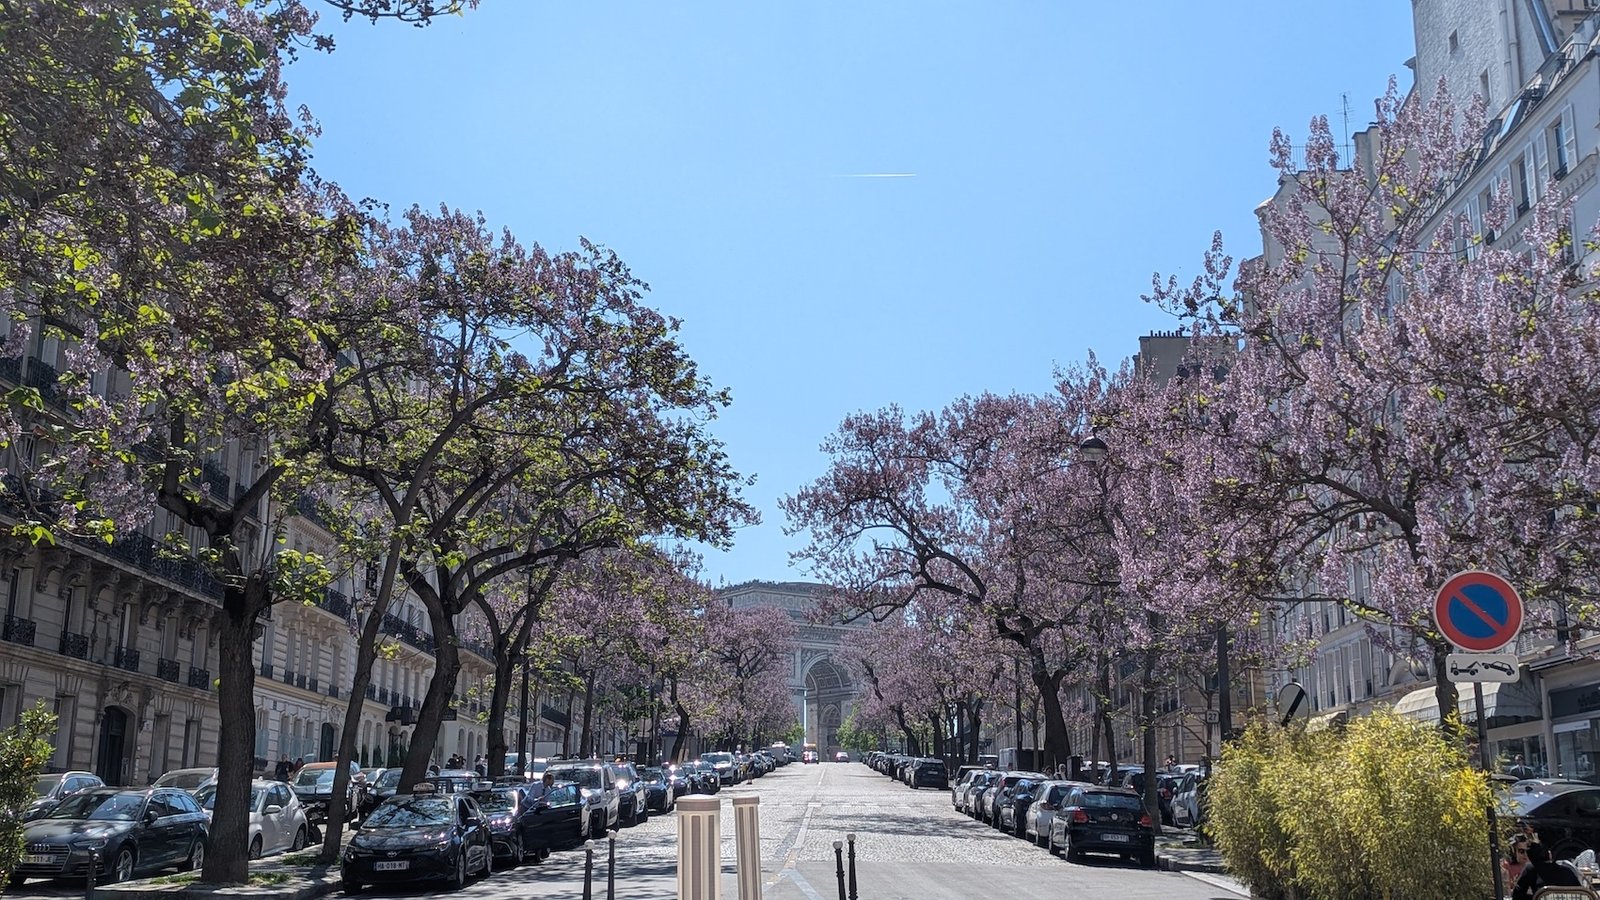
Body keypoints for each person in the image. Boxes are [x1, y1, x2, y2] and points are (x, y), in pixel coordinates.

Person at [1512, 843, 1583, 900]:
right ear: (1550, 855)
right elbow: (1582, 894)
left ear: (1530, 858)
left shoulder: (1530, 869)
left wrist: (1537, 897)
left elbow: (1517, 895)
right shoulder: (1567, 871)